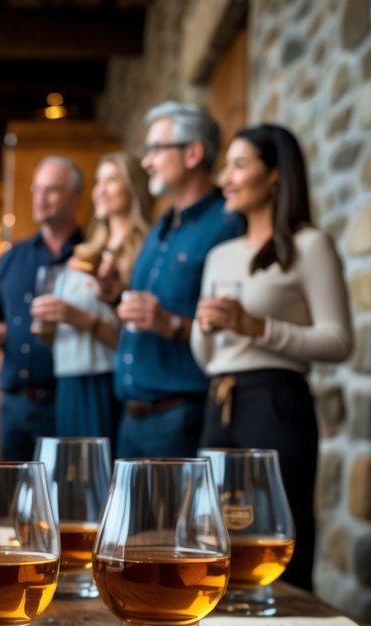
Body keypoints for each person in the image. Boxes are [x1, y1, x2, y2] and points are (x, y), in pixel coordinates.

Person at [193, 124, 352, 591]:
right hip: (218, 398)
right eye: (227, 165)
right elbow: (207, 358)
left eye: (240, 165)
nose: (227, 176)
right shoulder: (219, 255)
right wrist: (204, 327)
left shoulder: (310, 246)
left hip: (277, 402)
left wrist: (258, 328)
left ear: (276, 177)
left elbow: (339, 341)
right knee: (212, 534)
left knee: (277, 533)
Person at [112, 101, 245, 458]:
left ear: (192, 154)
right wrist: (114, 293)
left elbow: (236, 327)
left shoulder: (228, 223)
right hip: (130, 417)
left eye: (156, 149)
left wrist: (171, 323)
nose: (147, 160)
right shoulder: (160, 226)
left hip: (181, 416)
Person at [30, 152, 152, 446]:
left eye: (111, 179)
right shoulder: (85, 250)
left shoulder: (144, 250)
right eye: (98, 181)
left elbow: (135, 339)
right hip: (68, 380)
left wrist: (77, 318)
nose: (100, 189)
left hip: (105, 381)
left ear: (133, 187)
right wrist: (49, 328)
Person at [0, 156, 83, 461]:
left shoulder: (89, 256)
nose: (41, 197)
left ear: (74, 197)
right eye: (37, 189)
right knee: (8, 500)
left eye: (52, 190)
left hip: (67, 402)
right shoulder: (12, 257)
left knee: (60, 502)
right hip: (14, 405)